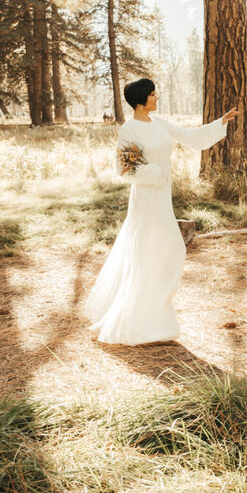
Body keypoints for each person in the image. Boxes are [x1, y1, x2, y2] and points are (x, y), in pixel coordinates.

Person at [85, 78, 237, 345]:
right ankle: (139, 318)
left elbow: (191, 137)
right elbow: (123, 169)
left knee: (167, 250)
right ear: (141, 100)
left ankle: (156, 312)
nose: (157, 98)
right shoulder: (129, 130)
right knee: (153, 251)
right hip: (145, 197)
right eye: (153, 94)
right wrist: (155, 174)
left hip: (163, 197)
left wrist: (220, 123)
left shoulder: (161, 124)